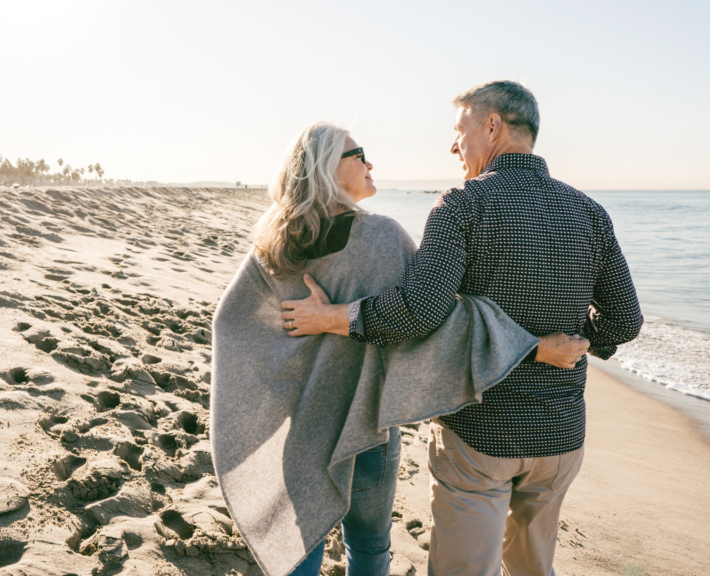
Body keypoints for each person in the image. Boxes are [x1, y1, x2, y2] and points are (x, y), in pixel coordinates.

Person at [280, 81, 643, 576]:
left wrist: (333, 318)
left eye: (460, 130)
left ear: (492, 127)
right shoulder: (589, 212)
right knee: (534, 568)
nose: (454, 145)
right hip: (561, 434)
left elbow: (419, 312)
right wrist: (581, 343)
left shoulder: (464, 205)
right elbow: (625, 320)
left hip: (480, 434)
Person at [210, 121, 589, 576]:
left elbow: (231, 325)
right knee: (369, 546)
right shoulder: (382, 238)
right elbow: (439, 321)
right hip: (367, 421)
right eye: (359, 154)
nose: (370, 163)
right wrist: (534, 348)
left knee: (299, 544)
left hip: (302, 423)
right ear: (328, 168)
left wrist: (287, 372)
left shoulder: (273, 243)